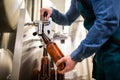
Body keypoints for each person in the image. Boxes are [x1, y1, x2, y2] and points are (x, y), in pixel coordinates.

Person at [40, 0, 120, 80]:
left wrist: (75, 57)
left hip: (116, 48)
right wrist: (53, 13)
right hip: (101, 49)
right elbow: (68, 18)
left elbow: (107, 22)